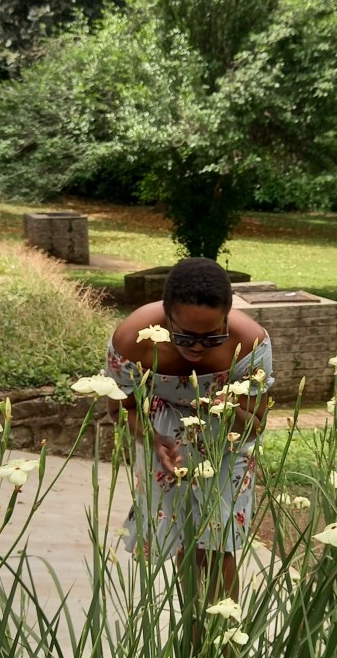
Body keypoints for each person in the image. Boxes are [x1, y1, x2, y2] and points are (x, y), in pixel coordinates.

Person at [106, 257, 273, 601]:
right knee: (183, 535)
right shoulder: (131, 340)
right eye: (185, 336)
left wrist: (221, 405)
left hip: (225, 439)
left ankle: (220, 644)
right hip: (163, 434)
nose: (197, 347)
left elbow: (256, 426)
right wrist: (153, 440)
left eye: (212, 337)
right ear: (166, 315)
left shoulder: (251, 342)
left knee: (216, 545)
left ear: (227, 317)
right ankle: (193, 639)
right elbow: (121, 411)